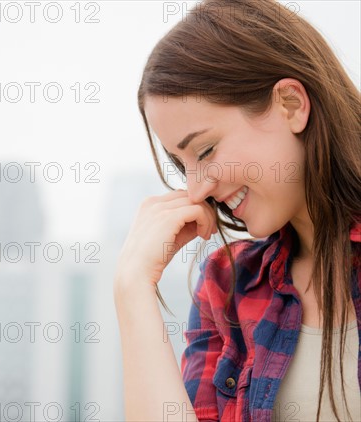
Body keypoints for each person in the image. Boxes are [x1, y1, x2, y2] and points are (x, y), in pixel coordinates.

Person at [113, 0, 361, 421]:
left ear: (291, 105)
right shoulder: (228, 287)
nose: (195, 190)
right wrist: (132, 287)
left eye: (206, 150)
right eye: (182, 165)